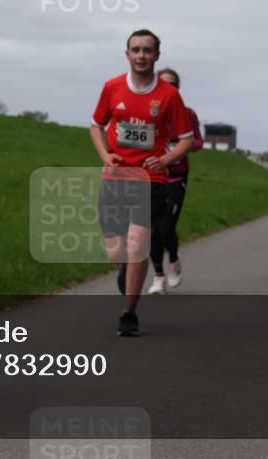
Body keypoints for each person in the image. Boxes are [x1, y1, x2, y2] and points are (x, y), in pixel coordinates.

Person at [91, 30, 194, 336]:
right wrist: (105, 155)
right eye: (135, 50)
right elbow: (96, 126)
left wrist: (165, 159)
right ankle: (123, 265)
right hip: (116, 176)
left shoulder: (169, 95)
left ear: (157, 55)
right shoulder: (112, 87)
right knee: (115, 250)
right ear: (127, 55)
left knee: (139, 245)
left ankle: (129, 312)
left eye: (147, 50)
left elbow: (186, 140)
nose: (141, 55)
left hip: (151, 179)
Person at [147, 68, 203, 294]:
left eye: (172, 85)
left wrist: (181, 146)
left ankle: (174, 258)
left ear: (177, 90)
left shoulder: (188, 114)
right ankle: (159, 276)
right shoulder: (148, 112)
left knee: (167, 228)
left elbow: (197, 142)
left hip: (177, 176)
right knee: (151, 229)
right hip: (152, 176)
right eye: (163, 84)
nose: (167, 89)